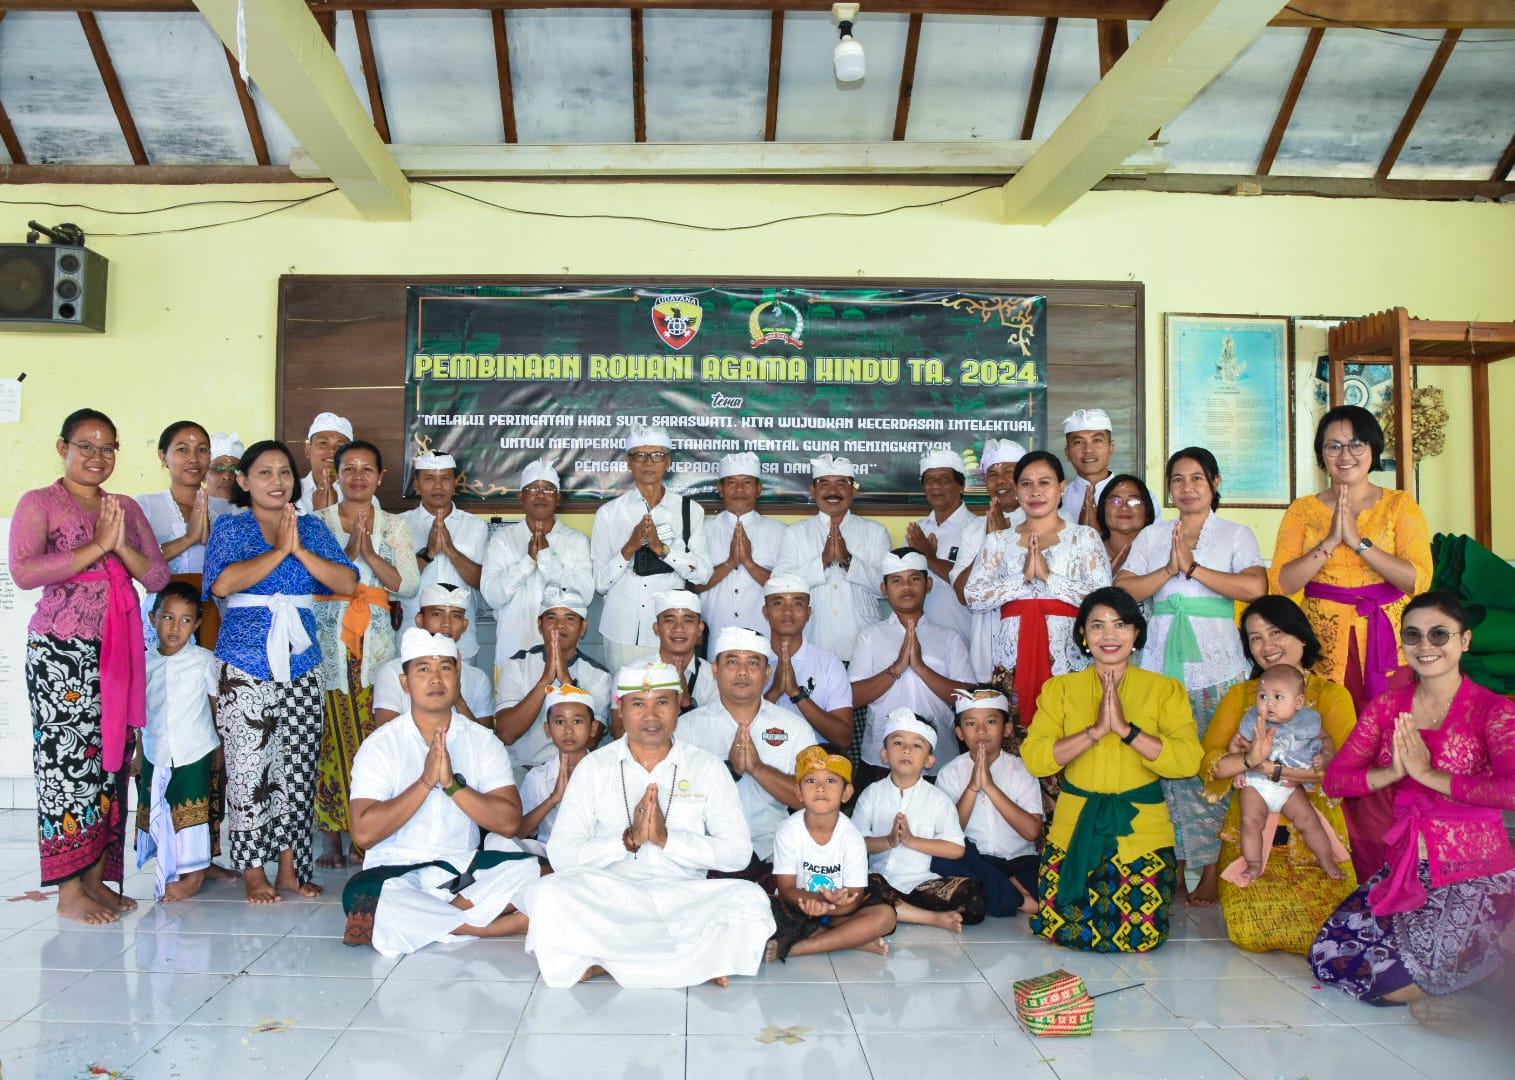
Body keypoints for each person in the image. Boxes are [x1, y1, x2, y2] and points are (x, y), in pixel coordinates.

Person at [1311, 591, 1515, 1004]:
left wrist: (1428, 775)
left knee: (1388, 989)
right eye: (1413, 635)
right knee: (1328, 958)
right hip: (1405, 869)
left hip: (1473, 872)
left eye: (1440, 634)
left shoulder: (1492, 710)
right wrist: (1392, 772)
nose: (1425, 646)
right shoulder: (1389, 707)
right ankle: (1477, 960)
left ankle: (1492, 949)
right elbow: (1336, 781)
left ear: (1465, 641)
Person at [12, 408, 171, 924]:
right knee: (66, 769)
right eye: (86, 446)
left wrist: (120, 544)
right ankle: (68, 890)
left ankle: (97, 877)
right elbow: (24, 570)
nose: (97, 457)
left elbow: (159, 576)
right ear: (63, 448)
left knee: (110, 764)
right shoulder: (39, 503)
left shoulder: (122, 506)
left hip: (120, 647)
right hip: (63, 653)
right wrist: (97, 547)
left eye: (108, 448)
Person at [524, 662, 776, 988]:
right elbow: (561, 854)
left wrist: (667, 839)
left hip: (684, 897)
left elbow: (738, 854)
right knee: (549, 893)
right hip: (612, 897)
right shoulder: (595, 768)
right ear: (620, 710)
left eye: (662, 702)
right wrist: (624, 842)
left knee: (750, 898)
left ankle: (607, 960)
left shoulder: (706, 767)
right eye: (639, 704)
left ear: (678, 705)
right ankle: (695, 962)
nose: (651, 715)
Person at [204, 438, 357, 903]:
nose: (277, 481)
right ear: (245, 482)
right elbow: (223, 583)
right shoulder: (231, 528)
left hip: (302, 661)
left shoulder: (310, 527)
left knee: (298, 766)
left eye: (285, 472)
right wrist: (278, 553)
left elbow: (347, 582)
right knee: (250, 769)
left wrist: (299, 549)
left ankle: (291, 868)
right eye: (265, 473)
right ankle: (253, 871)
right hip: (244, 662)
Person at [1118, 447, 1266, 906]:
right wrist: (1168, 568)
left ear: (1215, 483)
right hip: (1161, 667)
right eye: (1177, 479)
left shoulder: (1235, 534)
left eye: (1196, 478)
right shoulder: (1152, 536)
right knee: (1164, 770)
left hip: (1217, 669)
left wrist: (1196, 569)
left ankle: (1213, 871)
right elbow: (1123, 590)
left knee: (1214, 769)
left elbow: (1255, 587)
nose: (1186, 487)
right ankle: (1177, 867)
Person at [1022, 587, 1202, 953]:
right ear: (1083, 636)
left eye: (1120, 625)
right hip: (1075, 829)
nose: (1109, 635)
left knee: (1140, 938)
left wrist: (1126, 731)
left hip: (1141, 831)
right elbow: (1036, 758)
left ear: (1136, 633)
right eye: (1097, 626)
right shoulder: (1060, 689)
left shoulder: (1165, 690)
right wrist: (1094, 733)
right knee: (1066, 933)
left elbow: (1187, 761)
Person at [342, 628, 540, 956]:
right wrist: (424, 782)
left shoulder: (482, 740)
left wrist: (452, 785)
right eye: (423, 669)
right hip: (397, 871)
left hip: (461, 868)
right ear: (405, 683)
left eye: (445, 668)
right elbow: (363, 834)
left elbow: (508, 823)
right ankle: (487, 925)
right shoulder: (380, 745)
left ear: (457, 676)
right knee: (364, 896)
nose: (436, 678)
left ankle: (435, 919)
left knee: (527, 869)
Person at [1200, 595, 1360, 955]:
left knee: (1333, 935)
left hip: (1314, 833)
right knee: (1252, 934)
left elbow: (1343, 773)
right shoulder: (1242, 696)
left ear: (1302, 637)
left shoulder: (1332, 696)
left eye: (1275, 633)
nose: (1266, 646)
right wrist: (1246, 761)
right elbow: (1208, 762)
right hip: (1251, 834)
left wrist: (1275, 768)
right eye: (1255, 638)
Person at [1271, 405, 1433, 713]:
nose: (1345, 455)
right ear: (1322, 454)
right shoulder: (1302, 510)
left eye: (1356, 444)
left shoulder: (1400, 505)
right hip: (1321, 641)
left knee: (1392, 728)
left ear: (1373, 448)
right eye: (1333, 446)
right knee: (1330, 731)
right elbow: (1280, 584)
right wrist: (1331, 540)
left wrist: (1358, 542)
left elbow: (1418, 581)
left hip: (1390, 641)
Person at [313, 441, 420, 868]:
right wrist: (347, 558)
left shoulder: (394, 525)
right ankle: (330, 838)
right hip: (327, 647)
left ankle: (370, 834)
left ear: (381, 475)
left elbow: (408, 585)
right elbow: (311, 580)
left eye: (366, 469)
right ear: (335, 474)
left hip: (374, 650)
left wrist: (369, 553)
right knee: (326, 737)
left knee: (374, 740)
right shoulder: (316, 522)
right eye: (348, 468)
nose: (357, 476)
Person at [964, 450, 1111, 734]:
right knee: (1016, 737)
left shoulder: (1083, 537)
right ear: (1017, 491)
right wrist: (1022, 580)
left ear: (1061, 488)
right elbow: (974, 597)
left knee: (1073, 732)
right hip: (1012, 656)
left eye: (1044, 482)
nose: (1036, 491)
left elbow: (1103, 599)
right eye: (1026, 484)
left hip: (1069, 653)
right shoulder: (998, 541)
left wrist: (1048, 577)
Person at [680, 626, 817, 876]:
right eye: (732, 662)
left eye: (753, 663)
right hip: (705, 856)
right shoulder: (685, 728)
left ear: (767, 673)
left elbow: (813, 797)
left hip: (773, 853)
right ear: (715, 670)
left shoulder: (794, 727)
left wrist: (758, 769)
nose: (743, 671)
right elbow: (674, 797)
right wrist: (729, 771)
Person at [132, 582, 236, 901]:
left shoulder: (204, 660)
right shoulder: (143, 662)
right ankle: (184, 865)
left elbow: (216, 705)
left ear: (197, 624)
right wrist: (138, 753)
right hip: (155, 750)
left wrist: (220, 746)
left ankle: (192, 876)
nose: (176, 627)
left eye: (186, 620)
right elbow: (138, 712)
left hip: (195, 749)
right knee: (162, 811)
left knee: (193, 813)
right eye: (168, 618)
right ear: (153, 618)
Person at [591, 425, 713, 671]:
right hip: (621, 630)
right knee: (623, 703)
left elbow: (703, 574)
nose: (649, 462)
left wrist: (663, 550)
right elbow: (600, 583)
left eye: (657, 455)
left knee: (668, 703)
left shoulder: (690, 511)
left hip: (671, 634)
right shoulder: (609, 514)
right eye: (640, 455)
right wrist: (629, 548)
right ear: (629, 462)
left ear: (667, 462)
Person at [853, 710, 984, 932]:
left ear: (929, 760)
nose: (906, 750)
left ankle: (899, 911)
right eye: (898, 742)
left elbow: (956, 849)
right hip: (879, 880)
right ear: (884, 753)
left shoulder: (938, 799)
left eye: (917, 745)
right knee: (867, 887)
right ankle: (931, 918)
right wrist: (890, 840)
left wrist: (912, 841)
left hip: (921, 884)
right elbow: (855, 843)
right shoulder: (871, 794)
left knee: (973, 896)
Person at [851, 550, 972, 788]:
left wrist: (920, 667)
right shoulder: (870, 637)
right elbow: (853, 698)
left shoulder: (949, 638)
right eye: (896, 580)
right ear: (884, 589)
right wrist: (897, 668)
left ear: (928, 584)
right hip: (880, 758)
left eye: (914, 579)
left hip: (939, 757)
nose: (906, 586)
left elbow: (968, 699)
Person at [766, 746, 897, 962]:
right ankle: (850, 940)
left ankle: (799, 947)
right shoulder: (787, 830)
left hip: (839, 913)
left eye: (831, 781)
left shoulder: (852, 837)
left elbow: (854, 899)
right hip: (797, 908)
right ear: (798, 792)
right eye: (810, 781)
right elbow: (787, 888)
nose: (820, 788)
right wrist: (813, 902)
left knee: (885, 917)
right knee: (761, 910)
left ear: (846, 793)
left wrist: (830, 906)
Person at [930, 688, 1044, 917]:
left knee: (1053, 884)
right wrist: (973, 787)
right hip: (977, 860)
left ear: (1008, 728)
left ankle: (1004, 890)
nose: (981, 730)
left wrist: (990, 787)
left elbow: (1032, 832)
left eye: (991, 721)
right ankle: (1020, 898)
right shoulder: (950, 773)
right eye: (971, 724)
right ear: (960, 733)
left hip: (1019, 860)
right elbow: (949, 834)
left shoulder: (1022, 770)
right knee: (942, 860)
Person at [1228, 665, 1344, 884]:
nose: (1269, 703)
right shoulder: (1253, 719)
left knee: (1308, 820)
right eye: (1263, 696)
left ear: (1298, 702)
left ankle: (1327, 860)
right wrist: (1239, 770)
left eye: (1278, 697)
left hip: (1289, 783)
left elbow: (1327, 739)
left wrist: (1327, 755)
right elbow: (1234, 743)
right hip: (1257, 782)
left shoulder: (1307, 720)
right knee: (1250, 821)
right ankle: (1253, 862)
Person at [773, 453, 890, 666]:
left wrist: (848, 561)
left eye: (841, 484)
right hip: (814, 642)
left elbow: (885, 589)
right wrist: (823, 562)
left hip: (863, 644)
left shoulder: (875, 532)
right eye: (824, 483)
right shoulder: (796, 533)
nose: (833, 491)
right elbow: (780, 585)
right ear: (813, 491)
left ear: (854, 490)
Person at [480, 458, 593, 674]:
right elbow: (492, 597)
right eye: (533, 488)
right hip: (512, 654)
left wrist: (547, 559)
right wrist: (527, 561)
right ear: (521, 496)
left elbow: (584, 595)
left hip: (563, 657)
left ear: (558, 498)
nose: (540, 495)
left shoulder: (577, 541)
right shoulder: (502, 540)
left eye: (548, 489)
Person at [493, 585, 612, 773]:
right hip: (521, 771)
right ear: (540, 624)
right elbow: (506, 734)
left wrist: (567, 683)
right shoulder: (517, 665)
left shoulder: (599, 675)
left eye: (570, 618)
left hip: (575, 772)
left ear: (584, 627)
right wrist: (544, 682)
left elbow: (590, 741)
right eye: (551, 617)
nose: (559, 625)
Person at [135, 420, 225, 646]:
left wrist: (213, 543)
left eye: (202, 450)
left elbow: (238, 566)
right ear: (163, 456)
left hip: (215, 611)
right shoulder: (145, 505)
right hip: (165, 613)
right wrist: (189, 539)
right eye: (182, 449)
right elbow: (138, 564)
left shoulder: (226, 508)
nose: (193, 458)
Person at [399, 450, 487, 666]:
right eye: (429, 478)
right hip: (412, 634)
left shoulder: (475, 526)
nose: (438, 486)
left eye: (445, 478)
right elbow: (396, 583)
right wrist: (428, 552)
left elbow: (482, 582)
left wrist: (451, 551)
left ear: (455, 483)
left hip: (462, 639)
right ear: (417, 485)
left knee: (464, 695)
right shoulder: (398, 525)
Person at [951, 438, 1026, 683]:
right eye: (992, 474)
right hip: (986, 656)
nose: (1000, 480)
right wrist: (990, 542)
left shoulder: (1050, 520)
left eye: (1009, 472)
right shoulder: (973, 529)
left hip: (1034, 647)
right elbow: (963, 593)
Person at [692, 451, 783, 648]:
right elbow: (694, 585)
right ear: (721, 489)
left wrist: (749, 563)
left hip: (765, 638)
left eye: (747, 483)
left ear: (759, 489)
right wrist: (730, 563)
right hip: (715, 636)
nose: (739, 489)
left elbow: (786, 590)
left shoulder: (780, 532)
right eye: (732, 483)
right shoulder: (702, 529)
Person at [372, 582, 494, 728]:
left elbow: (486, 742)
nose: (446, 623)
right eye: (437, 614)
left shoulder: (478, 678)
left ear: (465, 625)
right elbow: (387, 738)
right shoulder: (392, 672)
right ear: (420, 620)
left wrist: (458, 700)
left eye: (455, 615)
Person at [760, 573, 854, 749]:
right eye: (778, 603)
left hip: (814, 769)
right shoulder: (750, 660)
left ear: (808, 612)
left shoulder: (829, 664)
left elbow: (843, 738)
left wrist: (797, 693)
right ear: (765, 611)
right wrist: (775, 691)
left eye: (797, 603)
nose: (787, 611)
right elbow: (735, 730)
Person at [516, 684, 604, 855]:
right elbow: (520, 831)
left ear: (593, 728)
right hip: (548, 854)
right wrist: (553, 799)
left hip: (594, 854)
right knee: (498, 842)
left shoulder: (607, 770)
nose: (568, 730)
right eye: (560, 722)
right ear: (548, 729)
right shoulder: (537, 777)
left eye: (577, 722)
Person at [904, 448, 974, 642]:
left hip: (965, 639)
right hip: (919, 639)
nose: (936, 486)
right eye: (929, 480)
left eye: (944, 480)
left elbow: (974, 585)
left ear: (961, 486)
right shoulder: (916, 531)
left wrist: (930, 559)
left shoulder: (977, 528)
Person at [648, 589, 717, 716]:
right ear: (656, 628)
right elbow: (621, 732)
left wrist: (685, 702)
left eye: (688, 621)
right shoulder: (633, 672)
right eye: (669, 620)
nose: (678, 628)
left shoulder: (715, 679)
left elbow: (715, 733)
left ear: (700, 628)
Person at [1059, 408, 1117, 528]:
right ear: (1067, 452)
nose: (1088, 449)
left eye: (1097, 440)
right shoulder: (1056, 499)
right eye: (1078, 442)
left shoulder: (1139, 496)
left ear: (1111, 448)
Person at [1094, 473, 1156, 578]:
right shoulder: (1087, 551)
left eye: (1133, 501)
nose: (1124, 507)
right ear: (1103, 510)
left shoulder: (1160, 550)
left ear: (1147, 512)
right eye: (1115, 501)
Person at [294, 411, 352, 515]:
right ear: (308, 450)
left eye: (340, 446)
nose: (332, 451)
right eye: (323, 443)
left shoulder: (361, 495)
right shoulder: (290, 492)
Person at [206, 432, 244, 504]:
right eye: (219, 468)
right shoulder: (186, 512)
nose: (227, 476)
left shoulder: (255, 512)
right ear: (203, 476)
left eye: (234, 469)